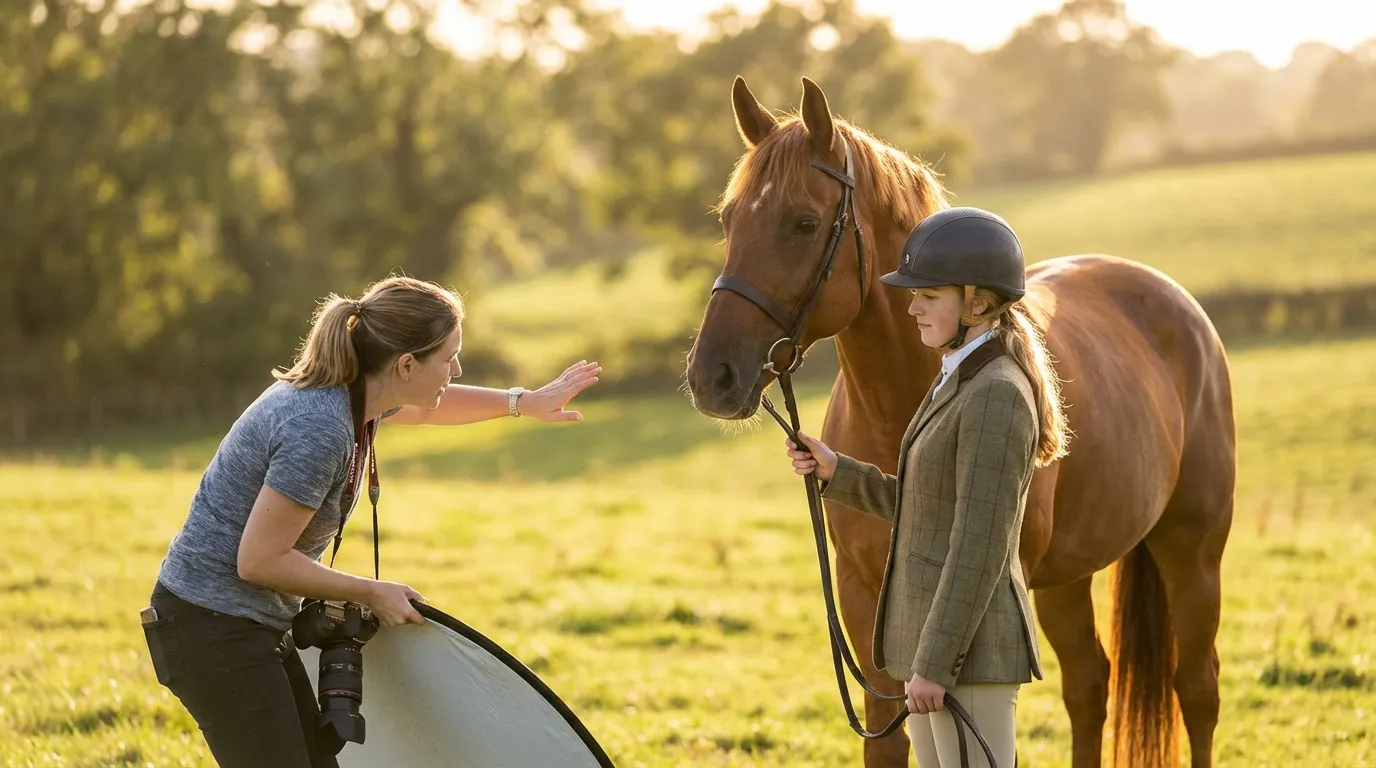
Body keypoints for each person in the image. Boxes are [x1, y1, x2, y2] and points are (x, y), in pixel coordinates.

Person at [140, 275, 601, 767]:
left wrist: (523, 403)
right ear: (406, 365)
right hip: (211, 626)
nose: (457, 368)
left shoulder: (358, 394)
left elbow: (430, 411)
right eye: (447, 358)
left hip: (246, 623)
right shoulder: (319, 425)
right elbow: (257, 561)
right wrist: (372, 591)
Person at [784, 207, 1070, 767]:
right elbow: (926, 504)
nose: (910, 305)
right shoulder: (958, 376)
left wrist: (935, 665)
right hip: (935, 651)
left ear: (978, 302)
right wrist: (835, 470)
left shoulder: (996, 395)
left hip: (967, 656)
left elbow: (978, 547)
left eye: (928, 295)